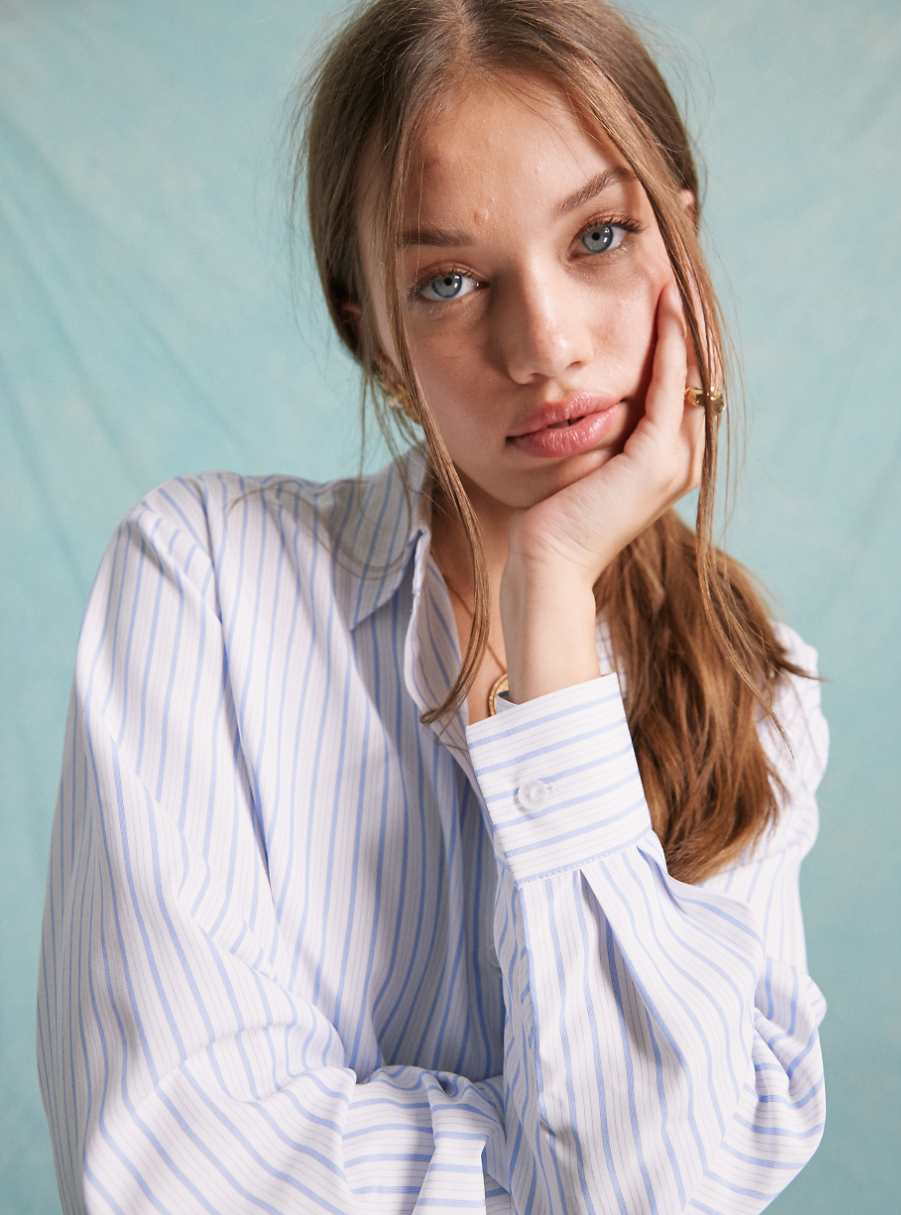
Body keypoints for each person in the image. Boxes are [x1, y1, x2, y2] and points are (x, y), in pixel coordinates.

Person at [36, 1, 831, 1211]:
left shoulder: (758, 679)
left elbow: (663, 1189)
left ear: (683, 235)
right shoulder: (200, 582)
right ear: (375, 336)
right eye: (450, 281)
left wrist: (553, 605)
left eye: (602, 236)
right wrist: (552, 1159)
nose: (545, 345)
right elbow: (168, 1175)